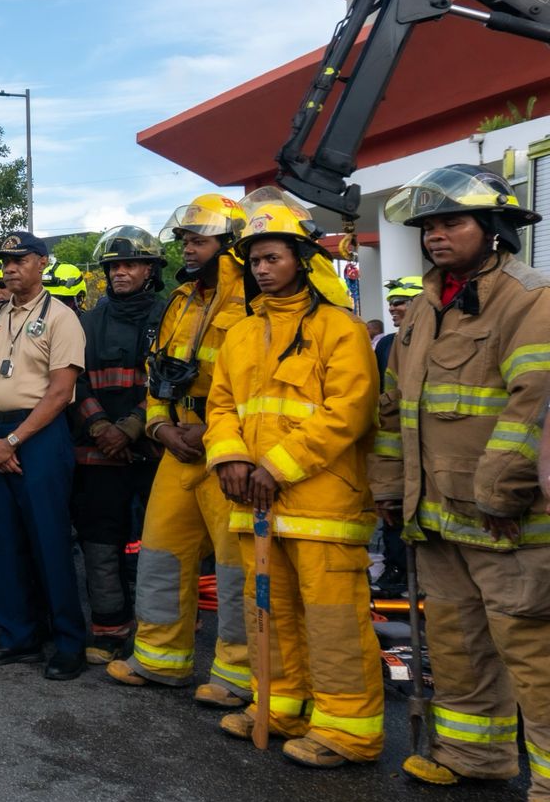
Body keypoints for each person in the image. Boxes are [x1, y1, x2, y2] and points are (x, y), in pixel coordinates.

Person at [373, 165, 550, 802]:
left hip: (509, 519)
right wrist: (390, 490)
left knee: (532, 652)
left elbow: (534, 404)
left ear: (495, 228)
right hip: (436, 515)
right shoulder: (425, 305)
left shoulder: (530, 298)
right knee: (456, 643)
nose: (437, 236)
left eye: (452, 223)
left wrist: (501, 494)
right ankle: (475, 755)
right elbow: (396, 408)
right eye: (429, 227)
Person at [204, 192, 382, 768]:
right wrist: (229, 459)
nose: (261, 267)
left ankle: (347, 731)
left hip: (321, 500)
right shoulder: (239, 334)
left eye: (272, 257)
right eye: (254, 259)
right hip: (252, 500)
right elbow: (221, 405)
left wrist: (274, 467)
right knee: (269, 613)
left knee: (333, 619)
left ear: (301, 260)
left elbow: (348, 412)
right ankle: (277, 707)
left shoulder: (340, 329)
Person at [108, 194, 253, 708]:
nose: (189, 250)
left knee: (237, 569)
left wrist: (213, 432)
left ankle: (239, 676)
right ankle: (159, 659)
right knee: (162, 553)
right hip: (176, 443)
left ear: (230, 244)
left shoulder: (252, 301)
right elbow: (159, 374)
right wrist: (160, 427)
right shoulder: (182, 299)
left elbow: (256, 385)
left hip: (228, 448)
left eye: (200, 241)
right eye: (187, 241)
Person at [0, 231, 89, 680]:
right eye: (5, 261)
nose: (9, 267)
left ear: (42, 262)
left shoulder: (62, 318)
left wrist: (13, 442)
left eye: (19, 259)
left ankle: (67, 642)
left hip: (37, 436)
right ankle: (17, 636)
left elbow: (61, 392)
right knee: (2, 542)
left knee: (50, 540)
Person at [70, 226, 167, 663]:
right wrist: (102, 429)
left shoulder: (170, 318)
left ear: (150, 269)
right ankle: (108, 630)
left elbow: (169, 383)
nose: (120, 273)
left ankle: (157, 632)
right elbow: (75, 380)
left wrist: (130, 429)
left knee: (157, 547)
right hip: (98, 453)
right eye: (114, 267)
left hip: (152, 450)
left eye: (129, 264)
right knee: (99, 542)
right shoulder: (89, 321)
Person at [369, 275, 424, 593]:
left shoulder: (442, 338)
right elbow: (384, 407)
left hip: (434, 450)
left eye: (401, 302)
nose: (393, 308)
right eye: (391, 303)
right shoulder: (389, 345)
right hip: (399, 447)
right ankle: (396, 567)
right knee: (394, 513)